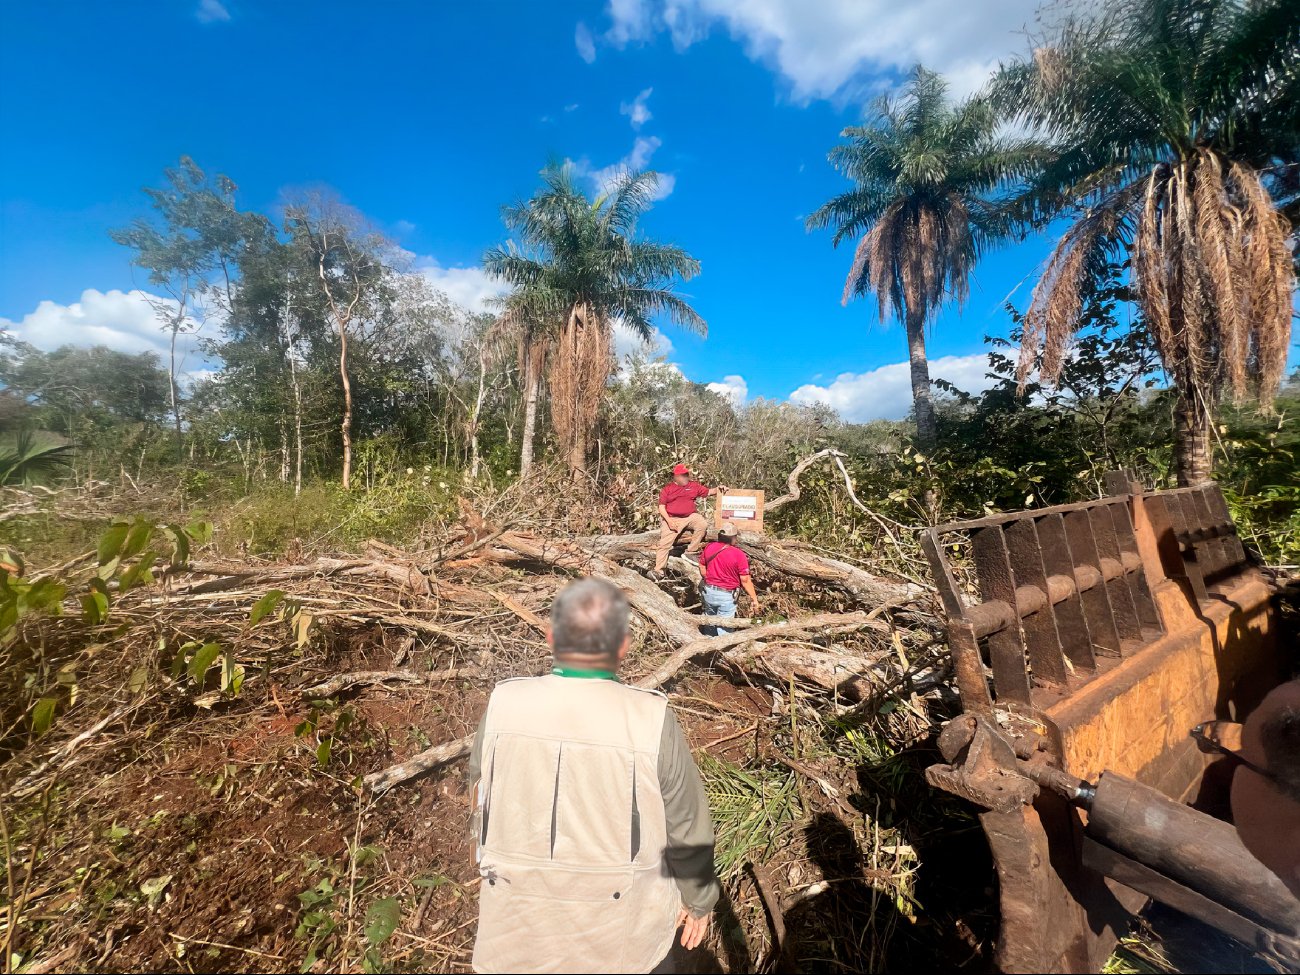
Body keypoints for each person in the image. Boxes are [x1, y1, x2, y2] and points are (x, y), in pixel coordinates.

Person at [467, 578, 721, 974]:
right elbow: (686, 823)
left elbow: (481, 798)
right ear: (623, 645)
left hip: (514, 934)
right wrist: (698, 901)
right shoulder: (651, 718)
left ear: (551, 637)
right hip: (624, 942)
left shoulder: (503, 703)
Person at [651, 463, 728, 580]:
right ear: (676, 477)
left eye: (687, 474)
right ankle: (659, 571)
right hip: (672, 518)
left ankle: (691, 552)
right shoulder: (668, 489)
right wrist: (669, 521)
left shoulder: (693, 486)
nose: (687, 476)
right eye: (683, 475)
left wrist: (719, 488)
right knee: (664, 544)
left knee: (702, 524)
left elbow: (708, 492)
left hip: (689, 516)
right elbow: (661, 507)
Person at [699, 521, 759, 635]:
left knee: (710, 623)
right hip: (726, 595)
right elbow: (745, 580)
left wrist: (708, 578)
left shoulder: (709, 547)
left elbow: (701, 565)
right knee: (724, 629)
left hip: (709, 592)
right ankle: (722, 651)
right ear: (733, 538)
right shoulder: (738, 554)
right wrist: (754, 598)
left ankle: (708, 647)